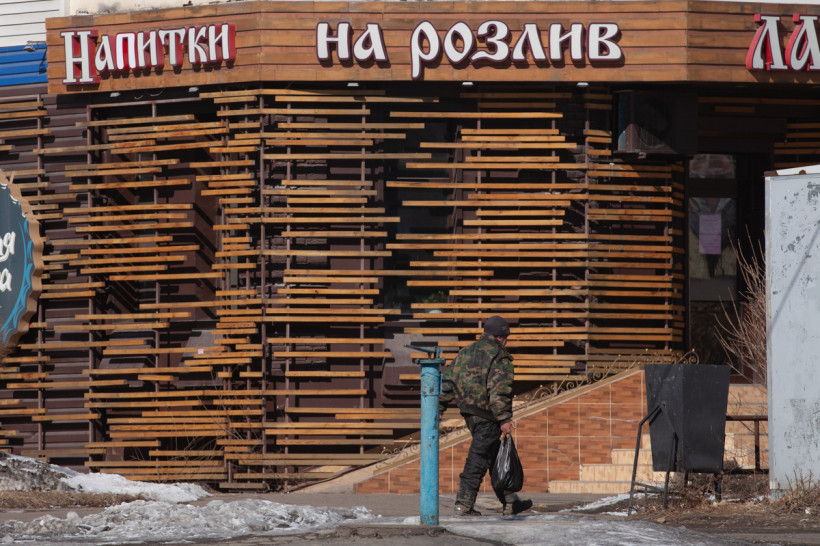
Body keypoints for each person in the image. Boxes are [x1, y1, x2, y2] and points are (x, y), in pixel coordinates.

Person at [439, 315, 533, 517]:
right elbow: (499, 389)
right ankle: (463, 504)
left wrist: (438, 409)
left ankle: (510, 501)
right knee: (478, 459)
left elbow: (447, 383)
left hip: (469, 414)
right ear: (500, 337)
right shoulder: (498, 355)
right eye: (506, 338)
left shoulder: (465, 352)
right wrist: (504, 418)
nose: (506, 342)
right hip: (488, 416)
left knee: (494, 455)